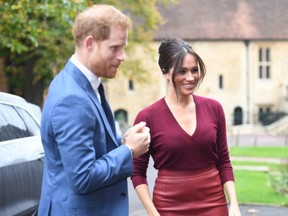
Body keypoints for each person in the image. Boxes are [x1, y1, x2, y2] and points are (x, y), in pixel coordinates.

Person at [38, 4, 150, 216]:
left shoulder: (87, 85)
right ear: (90, 43)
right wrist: (129, 151)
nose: (122, 57)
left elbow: (95, 147)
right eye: (115, 48)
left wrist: (123, 142)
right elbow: (82, 177)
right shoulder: (71, 98)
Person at [131, 38, 241, 216]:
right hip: (168, 207)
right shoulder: (147, 117)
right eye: (182, 71)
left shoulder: (214, 109)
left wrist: (233, 204)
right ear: (166, 73)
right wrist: (153, 213)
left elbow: (224, 161)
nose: (191, 78)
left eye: (194, 70)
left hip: (214, 203)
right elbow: (137, 172)